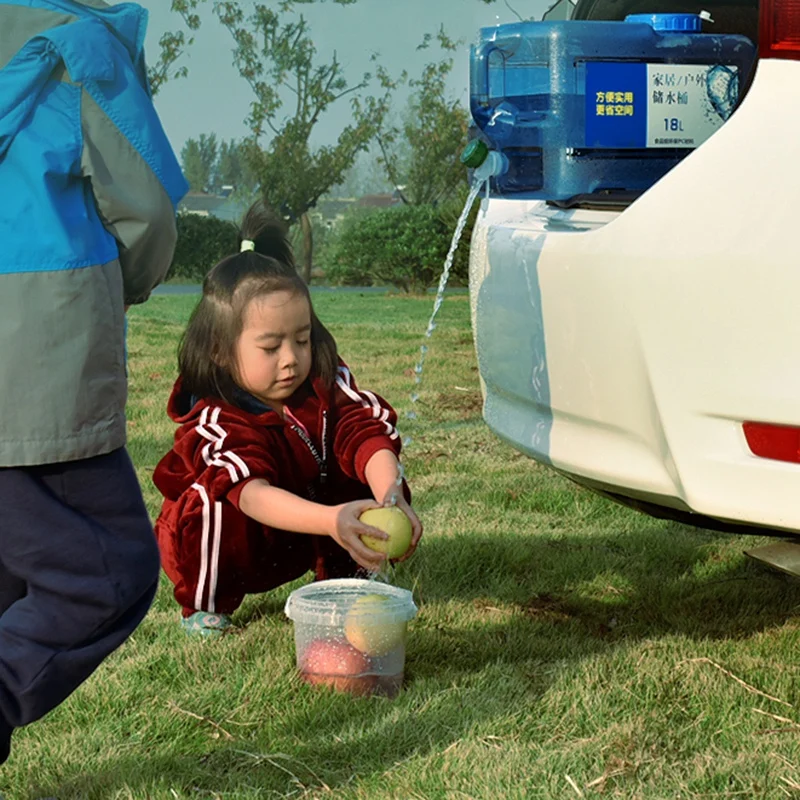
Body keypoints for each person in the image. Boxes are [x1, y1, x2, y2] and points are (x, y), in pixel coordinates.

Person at [0, 0, 188, 766]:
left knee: (12, 574)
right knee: (104, 571)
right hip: (38, 353)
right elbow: (144, 212)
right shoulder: (81, 47)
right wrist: (125, 288)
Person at [153, 202, 423, 636]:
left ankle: (347, 574)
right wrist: (331, 520)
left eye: (301, 339)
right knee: (212, 503)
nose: (291, 359)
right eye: (270, 347)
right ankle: (204, 604)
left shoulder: (322, 384)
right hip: (245, 538)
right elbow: (250, 493)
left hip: (307, 517)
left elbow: (363, 429)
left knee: (371, 465)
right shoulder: (220, 416)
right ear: (220, 351)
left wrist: (390, 494)